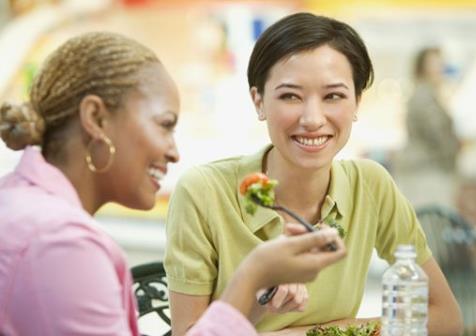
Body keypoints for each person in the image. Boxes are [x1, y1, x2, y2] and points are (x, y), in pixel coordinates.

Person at [0, 32, 346, 335]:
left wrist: (258, 290)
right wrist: (251, 275)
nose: (174, 152)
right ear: (96, 118)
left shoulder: (21, 203)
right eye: (165, 125)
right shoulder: (61, 244)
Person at [164, 13, 464, 336]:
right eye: (290, 96)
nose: (312, 118)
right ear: (259, 101)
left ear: (357, 102)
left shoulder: (372, 185)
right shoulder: (203, 193)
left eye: (333, 96)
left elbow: (446, 319)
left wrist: (315, 332)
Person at [395, 47, 461, 209]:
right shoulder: (423, 96)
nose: (440, 68)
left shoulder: (427, 94)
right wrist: (456, 149)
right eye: (435, 63)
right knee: (430, 227)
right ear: (422, 68)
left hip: (424, 171)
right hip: (426, 174)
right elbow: (438, 135)